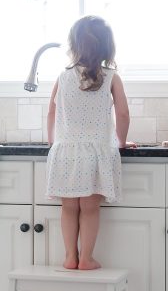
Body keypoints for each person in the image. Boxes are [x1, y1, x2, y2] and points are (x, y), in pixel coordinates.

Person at [46, 15, 134, 271]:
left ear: (73, 45)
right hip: (96, 152)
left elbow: (51, 112)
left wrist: (54, 143)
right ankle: (87, 258)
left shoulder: (63, 77)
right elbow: (124, 114)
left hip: (65, 151)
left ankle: (69, 257)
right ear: (108, 47)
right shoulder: (111, 77)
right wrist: (122, 141)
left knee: (69, 208)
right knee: (90, 207)